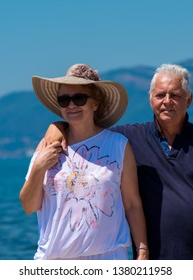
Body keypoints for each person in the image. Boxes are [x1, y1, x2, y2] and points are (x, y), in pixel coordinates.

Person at [43, 64, 193, 260]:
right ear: (150, 100)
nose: (167, 101)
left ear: (188, 100)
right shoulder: (127, 139)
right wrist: (59, 126)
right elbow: (87, 129)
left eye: (175, 95)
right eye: (160, 95)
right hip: (152, 262)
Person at [19, 64, 148, 260]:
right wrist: (38, 168)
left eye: (79, 98)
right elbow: (29, 206)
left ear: (95, 103)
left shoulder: (118, 145)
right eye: (64, 100)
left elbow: (132, 204)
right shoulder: (47, 145)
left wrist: (143, 251)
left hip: (108, 258)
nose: (71, 105)